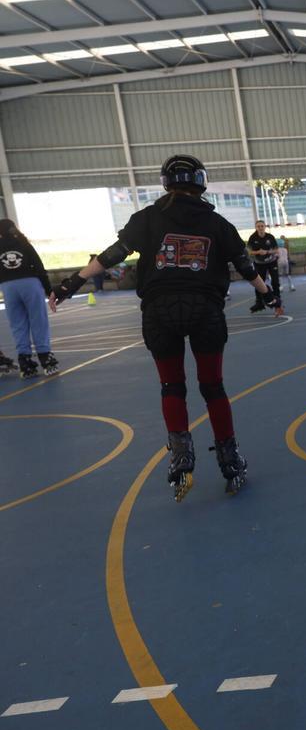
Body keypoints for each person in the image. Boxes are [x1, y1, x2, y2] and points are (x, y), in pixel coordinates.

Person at [50, 155, 273, 499]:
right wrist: (267, 293)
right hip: (205, 311)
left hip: (160, 312)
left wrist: (71, 284)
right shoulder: (217, 223)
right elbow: (244, 265)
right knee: (213, 387)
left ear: (166, 182)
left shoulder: (147, 219)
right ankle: (230, 460)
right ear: (200, 181)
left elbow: (112, 254)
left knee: (172, 386)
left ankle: (181, 456)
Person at [0, 219, 57, 378]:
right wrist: (49, 290)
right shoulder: (24, 244)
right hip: (30, 283)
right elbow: (39, 267)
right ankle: (45, 356)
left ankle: (24, 360)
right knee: (38, 319)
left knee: (17, 323)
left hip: (7, 287)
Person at [247, 220, 283, 313]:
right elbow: (249, 251)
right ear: (256, 227)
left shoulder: (270, 237)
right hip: (259, 263)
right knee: (259, 283)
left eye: (262, 226)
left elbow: (276, 250)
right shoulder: (252, 237)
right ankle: (259, 303)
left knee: (275, 281)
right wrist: (258, 252)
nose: (260, 228)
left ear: (265, 227)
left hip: (271, 262)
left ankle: (278, 302)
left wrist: (267, 252)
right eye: (258, 226)